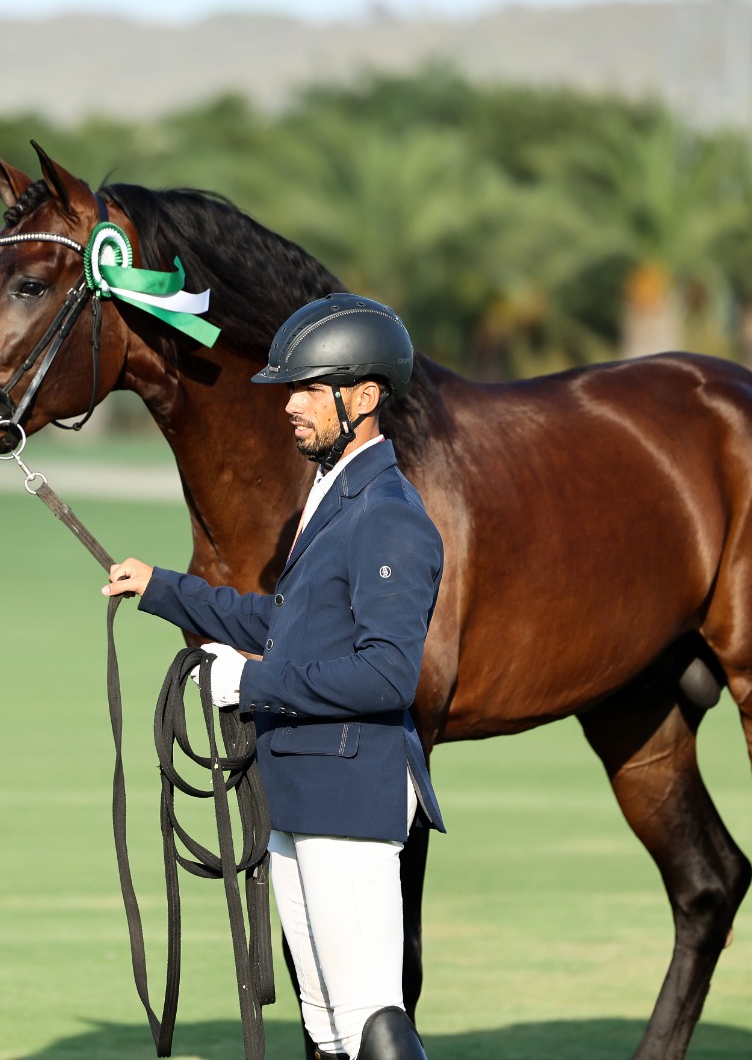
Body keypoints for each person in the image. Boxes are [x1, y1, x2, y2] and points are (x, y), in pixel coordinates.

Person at [103, 293, 445, 1060]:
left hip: (350, 801)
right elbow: (286, 627)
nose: (287, 407)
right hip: (299, 795)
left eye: (306, 390)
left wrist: (247, 688)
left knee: (372, 1023)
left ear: (363, 399)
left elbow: (387, 676)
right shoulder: (331, 500)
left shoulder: (387, 514)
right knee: (325, 1024)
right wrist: (161, 588)